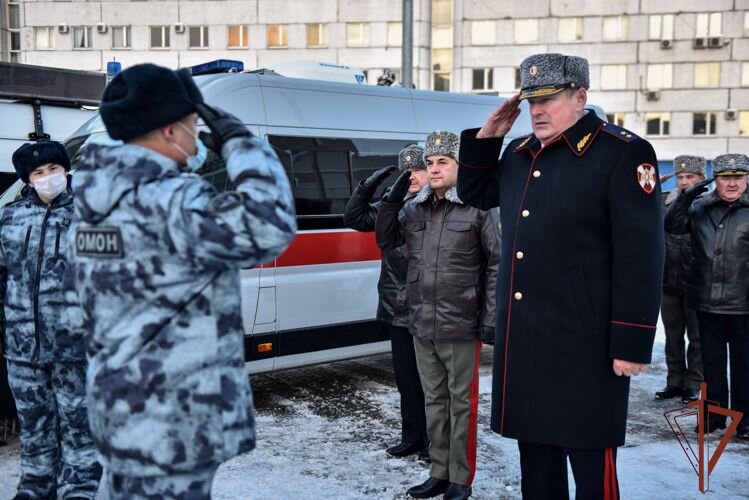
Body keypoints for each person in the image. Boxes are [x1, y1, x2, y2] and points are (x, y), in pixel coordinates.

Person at [69, 64, 296, 498]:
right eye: (195, 124)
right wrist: (243, 143)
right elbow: (269, 228)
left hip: (121, 407)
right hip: (172, 418)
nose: (198, 134)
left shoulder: (92, 201)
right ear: (171, 131)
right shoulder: (172, 199)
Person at [457, 53, 664, 499]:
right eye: (531, 100)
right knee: (538, 466)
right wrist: (486, 137)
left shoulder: (623, 153)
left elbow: (642, 255)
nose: (536, 110)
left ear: (580, 98)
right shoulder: (518, 153)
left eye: (548, 99)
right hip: (529, 342)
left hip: (584, 345)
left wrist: (631, 342)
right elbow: (475, 193)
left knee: (591, 467)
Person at [376, 131, 499, 500]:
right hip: (420, 320)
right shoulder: (415, 208)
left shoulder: (480, 208)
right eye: (430, 163)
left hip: (461, 320)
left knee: (461, 404)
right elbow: (386, 240)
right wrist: (392, 197)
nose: (433, 169)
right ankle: (439, 472)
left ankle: (460, 478)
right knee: (434, 400)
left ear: (462, 166)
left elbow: (497, 263)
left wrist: (491, 317)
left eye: (442, 162)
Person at [1, 141, 101, 499]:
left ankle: (79, 487)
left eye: (53, 170)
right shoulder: (9, 218)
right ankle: (35, 485)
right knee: (34, 424)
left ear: (66, 170)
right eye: (38, 173)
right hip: (22, 348)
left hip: (76, 346)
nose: (47, 178)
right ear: (28, 181)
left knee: (78, 425)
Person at [343, 144, 430, 461]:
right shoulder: (389, 206)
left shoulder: (437, 205)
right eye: (407, 170)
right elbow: (353, 217)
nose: (413, 176)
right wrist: (367, 186)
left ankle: (437, 443)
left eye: (418, 169)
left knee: (432, 383)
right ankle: (413, 437)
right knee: (407, 380)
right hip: (398, 307)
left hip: (431, 306)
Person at [664, 153, 749, 440]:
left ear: (747, 179)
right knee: (711, 364)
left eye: (738, 177)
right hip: (706, 300)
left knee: (744, 365)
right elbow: (672, 225)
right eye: (726, 178)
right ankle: (713, 416)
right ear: (716, 180)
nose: (732, 184)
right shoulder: (700, 207)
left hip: (744, 303)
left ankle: (745, 420)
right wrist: (686, 197)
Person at [655, 155, 706, 403]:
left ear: (701, 179)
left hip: (697, 282)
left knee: (696, 338)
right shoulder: (666, 202)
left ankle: (694, 384)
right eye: (681, 177)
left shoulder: (708, 204)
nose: (684, 181)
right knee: (673, 336)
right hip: (668, 280)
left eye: (690, 177)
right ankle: (674, 381)